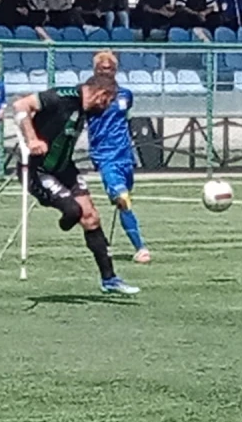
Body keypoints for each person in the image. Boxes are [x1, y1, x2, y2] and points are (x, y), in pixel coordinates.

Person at [11, 75, 139, 294]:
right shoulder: (62, 97)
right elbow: (20, 105)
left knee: (91, 217)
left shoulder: (86, 109)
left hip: (65, 169)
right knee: (74, 212)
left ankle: (109, 279)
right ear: (102, 94)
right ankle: (67, 214)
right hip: (38, 171)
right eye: (108, 101)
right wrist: (32, 139)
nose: (106, 106)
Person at [89, 51, 150, 263]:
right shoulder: (89, 96)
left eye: (110, 69)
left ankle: (104, 243)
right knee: (122, 198)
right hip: (105, 156)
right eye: (102, 69)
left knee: (124, 202)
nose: (106, 73)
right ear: (96, 71)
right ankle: (141, 248)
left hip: (125, 155)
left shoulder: (125, 95)